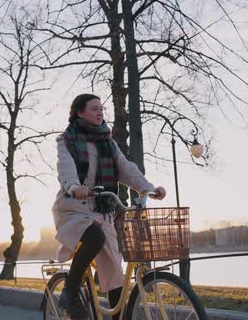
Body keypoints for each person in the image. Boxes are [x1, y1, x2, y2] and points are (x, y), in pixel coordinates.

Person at [52, 93, 166, 319]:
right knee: (94, 238)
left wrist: (149, 188)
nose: (100, 112)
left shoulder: (108, 143)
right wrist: (75, 186)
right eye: (94, 109)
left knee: (115, 275)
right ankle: (70, 292)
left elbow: (127, 169)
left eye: (101, 108)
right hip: (74, 207)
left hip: (103, 211)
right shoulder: (68, 140)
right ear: (79, 112)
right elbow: (66, 169)